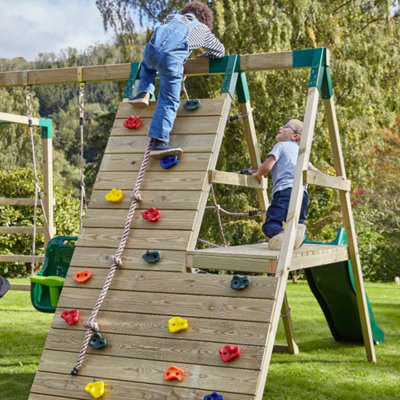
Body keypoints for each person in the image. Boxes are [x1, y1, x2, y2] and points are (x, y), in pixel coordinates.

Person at [128, 1, 225, 159]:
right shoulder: (202, 29)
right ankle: (158, 142)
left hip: (150, 51)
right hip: (171, 59)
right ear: (204, 19)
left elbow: (158, 36)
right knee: (169, 100)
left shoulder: (172, 17)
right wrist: (205, 55)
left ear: (187, 11)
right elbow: (220, 51)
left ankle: (144, 92)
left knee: (147, 66)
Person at [252, 119, 320, 250]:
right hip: (303, 194)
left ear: (295, 136)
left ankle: (282, 234)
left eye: (285, 126)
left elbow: (267, 166)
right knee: (297, 223)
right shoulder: (302, 153)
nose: (280, 126)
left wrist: (258, 174)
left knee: (270, 224)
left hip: (285, 191)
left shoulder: (281, 145)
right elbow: (315, 171)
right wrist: (333, 178)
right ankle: (298, 233)